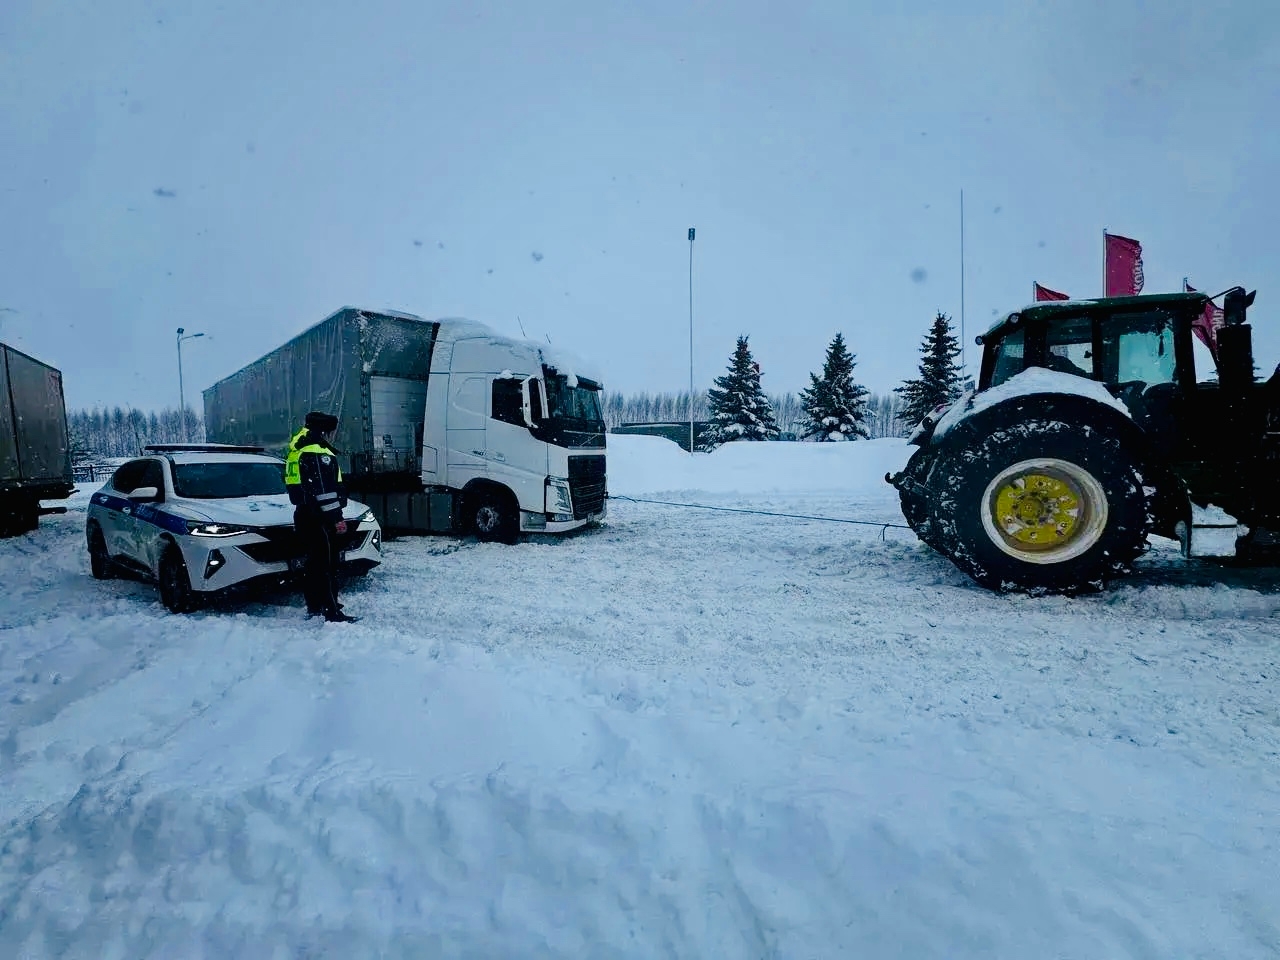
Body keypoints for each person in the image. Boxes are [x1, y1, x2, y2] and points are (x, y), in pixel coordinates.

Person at [285, 411, 358, 622]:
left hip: (305, 513)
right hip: (319, 517)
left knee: (314, 563)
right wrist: (337, 519)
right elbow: (325, 492)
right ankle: (331, 610)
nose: (334, 436)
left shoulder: (299, 447)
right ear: (325, 431)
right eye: (333, 431)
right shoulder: (317, 452)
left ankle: (315, 604)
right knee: (327, 564)